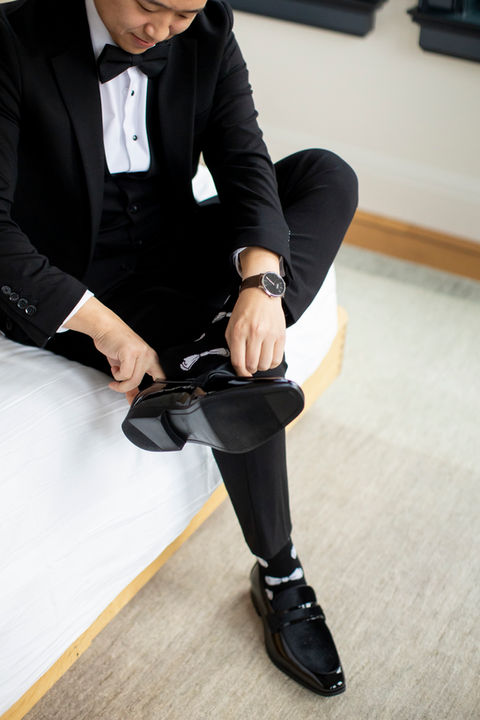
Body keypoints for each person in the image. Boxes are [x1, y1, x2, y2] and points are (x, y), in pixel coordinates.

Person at [0, 0, 358, 697]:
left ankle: (214, 354)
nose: (162, 29)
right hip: (83, 281)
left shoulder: (211, 30)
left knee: (326, 173)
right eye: (150, 6)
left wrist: (262, 285)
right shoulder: (11, 40)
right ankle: (281, 571)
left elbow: (244, 162)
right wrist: (104, 328)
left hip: (173, 242)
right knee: (240, 365)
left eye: (182, 13)